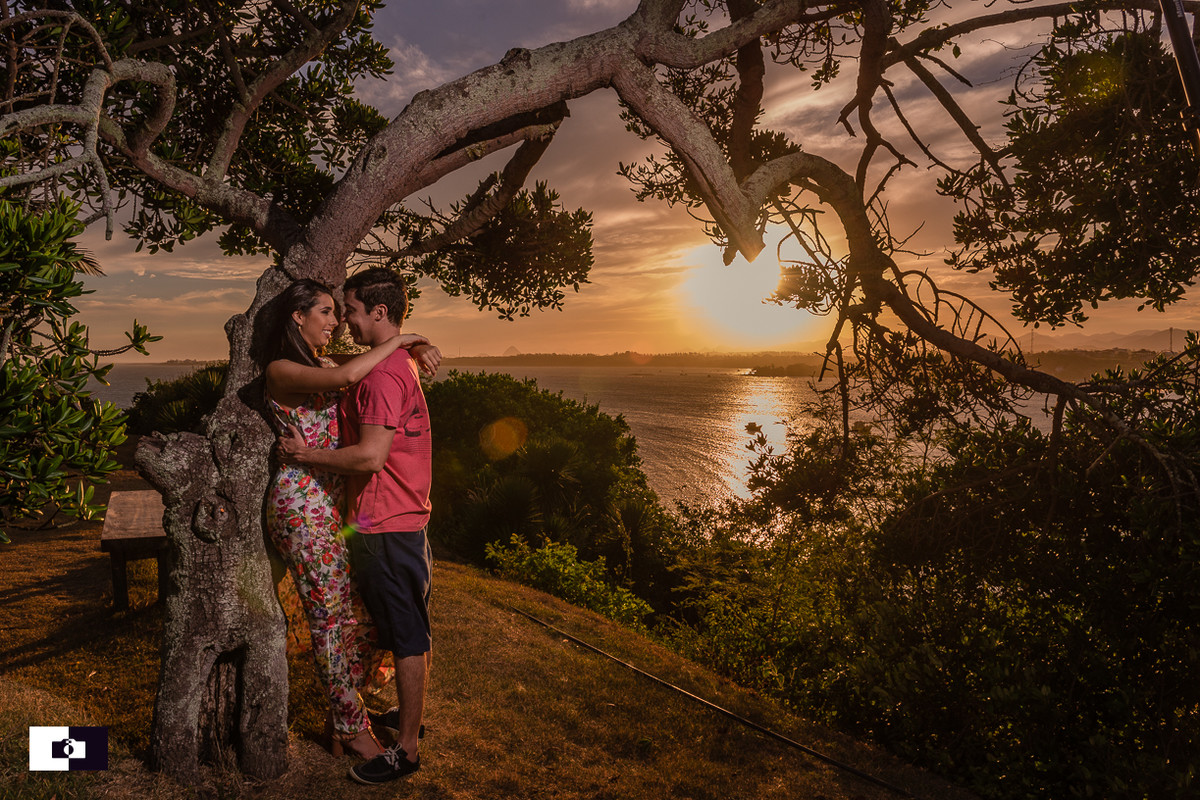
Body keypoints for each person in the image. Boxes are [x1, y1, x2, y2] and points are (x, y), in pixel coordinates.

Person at [263, 278, 440, 760]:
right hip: (302, 502)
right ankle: (349, 728)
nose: (337, 320)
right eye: (325, 311)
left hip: (331, 501)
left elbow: (358, 365)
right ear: (297, 317)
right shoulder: (280, 368)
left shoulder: (323, 363)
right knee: (328, 618)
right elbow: (347, 379)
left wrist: (408, 345)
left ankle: (348, 711)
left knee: (357, 618)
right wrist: (403, 340)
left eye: (341, 311)